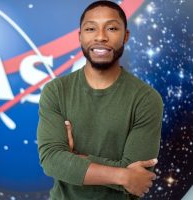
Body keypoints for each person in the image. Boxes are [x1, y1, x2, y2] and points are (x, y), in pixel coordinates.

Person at [37, 1, 163, 199]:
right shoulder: (56, 91)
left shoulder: (146, 99)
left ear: (126, 35)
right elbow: (52, 161)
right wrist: (122, 174)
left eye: (112, 28)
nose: (101, 37)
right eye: (90, 28)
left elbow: (138, 179)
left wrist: (74, 159)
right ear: (80, 36)